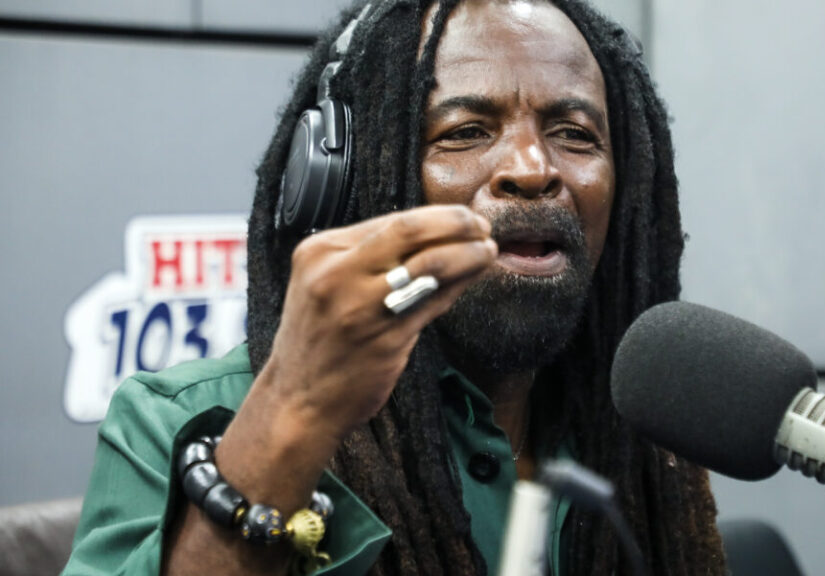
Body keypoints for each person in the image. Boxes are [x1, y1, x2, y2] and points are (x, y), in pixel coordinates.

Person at [63, 0, 726, 574]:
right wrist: (294, 416)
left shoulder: (642, 436)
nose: (532, 169)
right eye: (465, 132)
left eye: (574, 135)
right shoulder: (177, 422)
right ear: (347, 180)